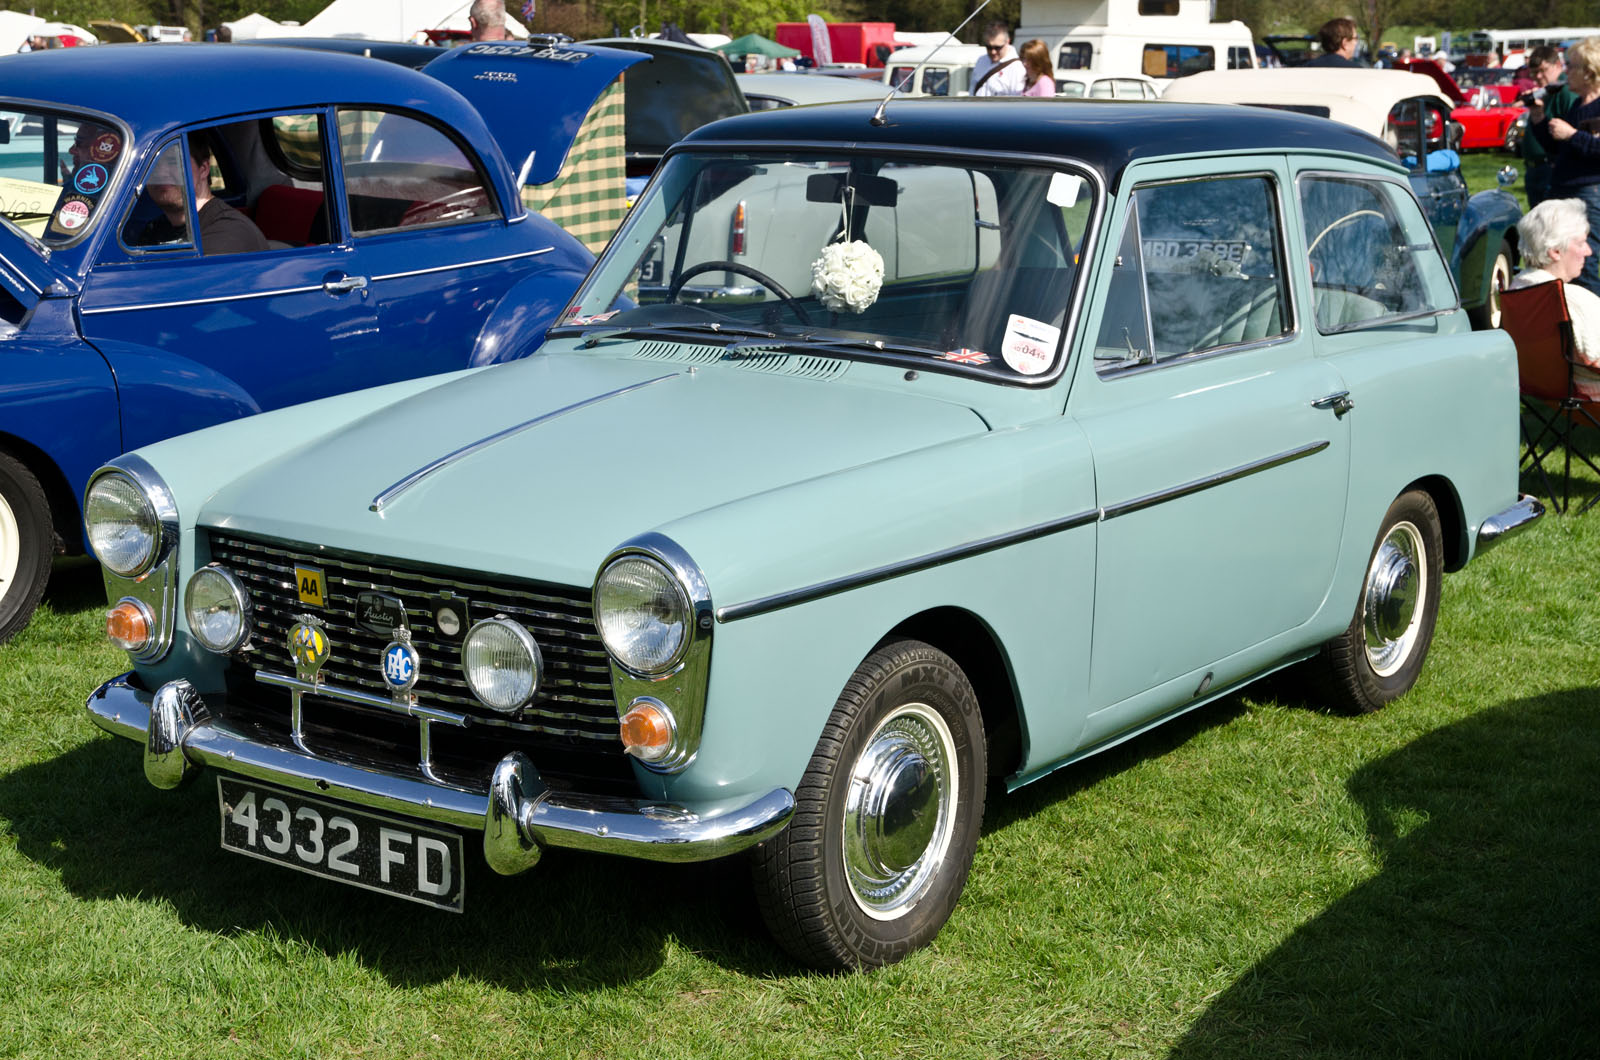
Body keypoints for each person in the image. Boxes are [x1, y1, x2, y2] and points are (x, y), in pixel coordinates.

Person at [1510, 198, 1600, 399]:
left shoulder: (1518, 289)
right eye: (1581, 243)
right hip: (1588, 394)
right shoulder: (1572, 299)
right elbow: (1593, 358)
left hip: (1539, 385)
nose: (1589, 251)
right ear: (1555, 251)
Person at [138, 134, 268, 256]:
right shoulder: (156, 228)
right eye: (153, 164)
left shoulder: (227, 232)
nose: (161, 172)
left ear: (204, 169)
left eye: (174, 162)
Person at [1541, 36, 1600, 295]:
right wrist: (1539, 120)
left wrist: (1572, 134)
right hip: (1566, 190)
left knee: (1583, 265)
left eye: (1572, 66)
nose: (1567, 72)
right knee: (1561, 263)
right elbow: (1560, 150)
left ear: (1589, 72)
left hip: (1588, 194)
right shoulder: (1577, 105)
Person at [1520, 44, 1578, 208]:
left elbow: (1571, 133)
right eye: (1533, 72)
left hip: (1551, 167)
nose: (1538, 76)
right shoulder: (1545, 91)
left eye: (1543, 70)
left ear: (1558, 66)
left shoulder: (1565, 92)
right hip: (1534, 168)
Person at [972, 21, 1024, 97]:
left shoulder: (1017, 68)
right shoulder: (981, 60)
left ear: (1007, 42)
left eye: (997, 48)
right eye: (989, 47)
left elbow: (1017, 100)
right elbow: (972, 89)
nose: (993, 52)